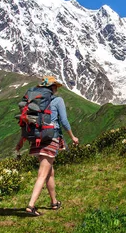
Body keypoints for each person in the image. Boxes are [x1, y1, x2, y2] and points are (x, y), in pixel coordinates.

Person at [16, 76, 79, 216]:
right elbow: (64, 120)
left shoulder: (36, 103)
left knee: (50, 172)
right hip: (50, 138)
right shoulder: (57, 100)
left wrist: (21, 141)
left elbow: (29, 121)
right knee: (43, 173)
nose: (57, 88)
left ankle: (54, 202)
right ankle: (31, 206)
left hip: (37, 138)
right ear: (52, 88)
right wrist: (72, 136)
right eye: (55, 86)